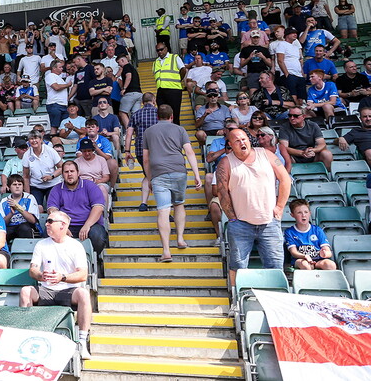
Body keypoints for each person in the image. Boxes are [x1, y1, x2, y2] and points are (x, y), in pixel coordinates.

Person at [217, 128, 292, 288]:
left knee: (275, 267)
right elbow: (222, 192)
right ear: (230, 144)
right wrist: (231, 217)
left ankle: (275, 301)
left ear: (249, 140)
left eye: (244, 139)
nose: (242, 142)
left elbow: (285, 178)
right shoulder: (225, 163)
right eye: (236, 140)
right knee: (237, 266)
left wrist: (279, 207)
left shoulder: (267, 154)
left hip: (269, 222)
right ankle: (236, 301)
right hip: (241, 224)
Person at [19, 210, 93, 360]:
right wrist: (41, 275)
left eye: (51, 221)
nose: (46, 223)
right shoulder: (41, 244)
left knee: (84, 293)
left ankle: (82, 342)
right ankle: (27, 337)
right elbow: (32, 269)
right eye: (47, 221)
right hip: (46, 289)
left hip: (68, 290)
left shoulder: (76, 246)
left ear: (63, 225)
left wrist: (62, 277)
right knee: (26, 291)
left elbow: (83, 274)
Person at [143, 105, 203, 262]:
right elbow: (189, 152)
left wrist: (149, 179)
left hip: (158, 173)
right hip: (179, 171)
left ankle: (166, 251)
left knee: (163, 211)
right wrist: (197, 175)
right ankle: (181, 239)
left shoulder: (148, 132)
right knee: (179, 204)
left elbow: (146, 159)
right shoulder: (180, 130)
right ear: (171, 116)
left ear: (158, 117)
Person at [284, 199, 336, 271]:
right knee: (306, 265)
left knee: (330, 265)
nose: (303, 215)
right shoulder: (289, 232)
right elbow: (293, 252)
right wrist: (305, 256)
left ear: (310, 213)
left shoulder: (317, 230)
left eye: (306, 212)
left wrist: (325, 254)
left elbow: (328, 251)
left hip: (318, 259)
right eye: (299, 213)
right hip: (300, 259)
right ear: (292, 215)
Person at [21, 129, 63, 206]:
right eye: (31, 139)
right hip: (36, 185)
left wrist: (51, 176)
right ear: (29, 141)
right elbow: (26, 176)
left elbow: (61, 167)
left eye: (36, 138)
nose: (34, 141)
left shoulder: (50, 150)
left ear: (41, 139)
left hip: (52, 184)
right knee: (36, 208)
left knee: (52, 206)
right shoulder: (26, 155)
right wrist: (27, 195)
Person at [0, 174, 40, 241]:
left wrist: (18, 207)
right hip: (10, 227)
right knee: (2, 233)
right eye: (14, 184)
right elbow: (2, 223)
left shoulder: (29, 198)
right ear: (9, 187)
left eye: (20, 184)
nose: (17, 187)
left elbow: (33, 220)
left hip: (27, 226)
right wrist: (11, 214)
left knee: (23, 228)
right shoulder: (4, 201)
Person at [153, 43, 185, 124]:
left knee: (175, 113)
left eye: (161, 49)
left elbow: (183, 70)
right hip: (161, 90)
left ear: (166, 49)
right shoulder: (156, 62)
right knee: (162, 113)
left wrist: (179, 80)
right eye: (158, 50)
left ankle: (176, 132)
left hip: (174, 90)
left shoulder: (174, 57)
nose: (160, 52)